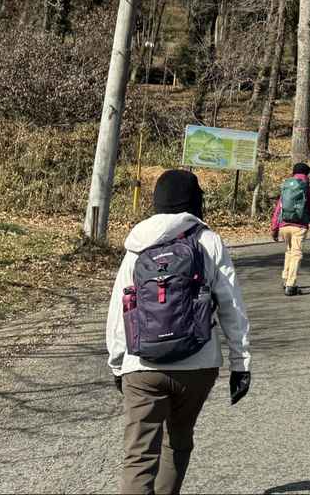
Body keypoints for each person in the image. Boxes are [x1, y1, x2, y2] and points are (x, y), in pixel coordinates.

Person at [106, 169, 252, 495]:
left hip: (142, 367)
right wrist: (240, 363)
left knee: (138, 456)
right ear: (195, 201)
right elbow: (231, 307)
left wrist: (118, 364)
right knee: (179, 439)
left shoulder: (137, 243)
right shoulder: (208, 241)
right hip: (197, 364)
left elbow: (120, 307)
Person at [271, 161, 310, 296]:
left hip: (284, 225)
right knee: (296, 254)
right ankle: (291, 285)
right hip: (299, 227)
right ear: (306, 174)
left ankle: (285, 278)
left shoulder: (286, 188)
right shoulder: (308, 190)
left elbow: (278, 209)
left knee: (289, 251)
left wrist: (274, 228)